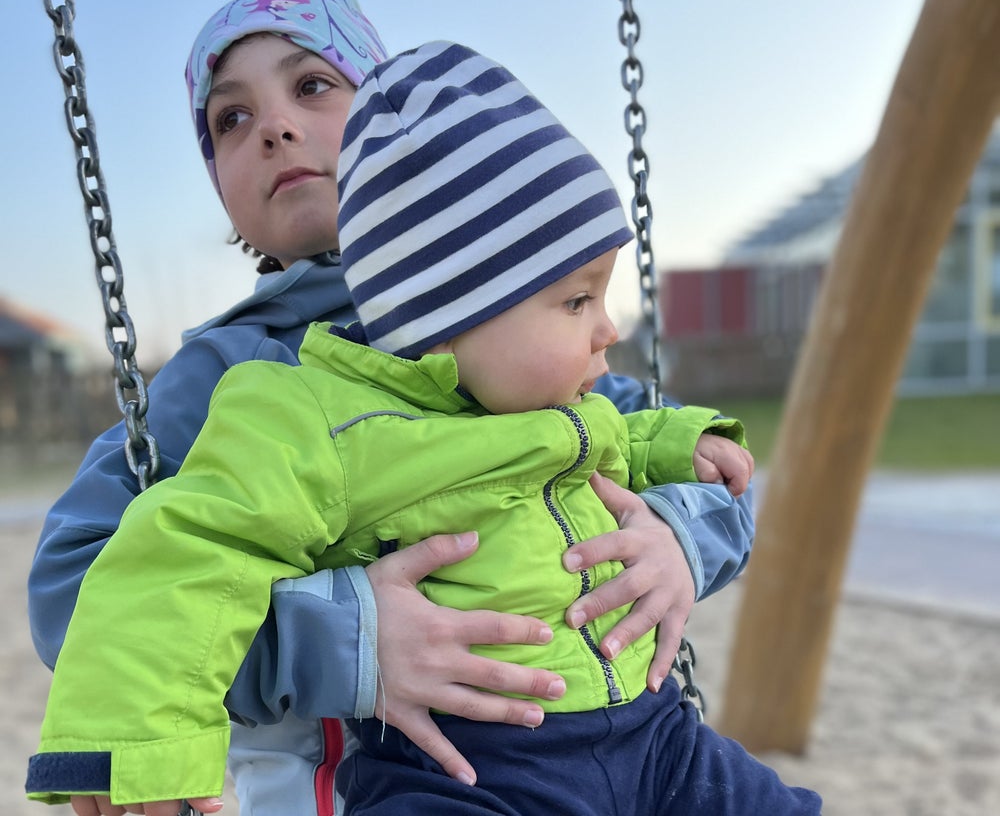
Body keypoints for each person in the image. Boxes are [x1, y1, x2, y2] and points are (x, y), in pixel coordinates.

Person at [27, 41, 816, 815]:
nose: (274, 127)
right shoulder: (254, 389)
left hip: (645, 734)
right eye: (231, 117)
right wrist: (344, 640)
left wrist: (677, 537)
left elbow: (682, 459)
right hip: (420, 776)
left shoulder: (536, 347)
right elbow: (134, 568)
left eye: (312, 85)